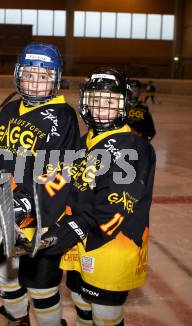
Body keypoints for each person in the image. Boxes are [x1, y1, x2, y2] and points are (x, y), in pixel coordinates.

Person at [40, 67, 156, 326]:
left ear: (124, 105)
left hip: (111, 246)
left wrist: (75, 227)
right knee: (81, 302)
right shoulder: (83, 142)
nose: (101, 108)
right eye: (95, 100)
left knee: (104, 314)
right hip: (79, 245)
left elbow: (119, 200)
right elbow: (62, 184)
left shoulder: (133, 146)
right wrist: (33, 201)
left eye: (110, 102)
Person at [0, 42, 81, 325]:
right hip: (7, 212)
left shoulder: (63, 116)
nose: (35, 82)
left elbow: (61, 169)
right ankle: (17, 319)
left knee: (42, 284)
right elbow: (0, 162)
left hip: (43, 216)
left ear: (55, 79)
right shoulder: (8, 110)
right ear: (18, 74)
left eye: (43, 76)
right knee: (3, 273)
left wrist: (27, 201)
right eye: (29, 74)